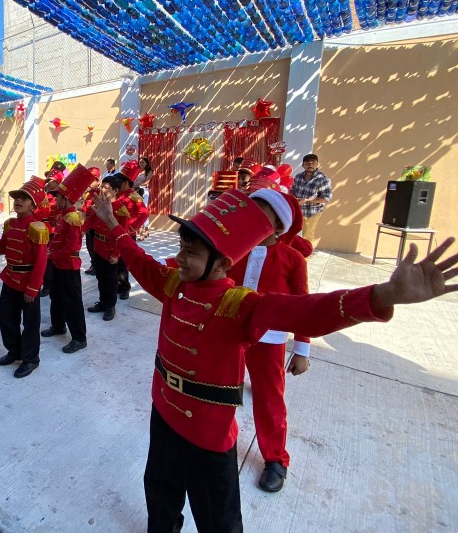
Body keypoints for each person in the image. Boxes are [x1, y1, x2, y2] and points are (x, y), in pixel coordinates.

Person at [91, 187, 458, 532]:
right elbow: (139, 260)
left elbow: (310, 309)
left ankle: (275, 457)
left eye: (191, 253)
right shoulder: (174, 284)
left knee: (217, 515)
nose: (180, 259)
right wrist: (111, 222)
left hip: (208, 429)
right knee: (159, 489)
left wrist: (382, 295)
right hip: (165, 410)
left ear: (221, 263)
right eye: (182, 249)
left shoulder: (241, 305)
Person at [228, 185, 311, 493]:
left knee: (269, 398)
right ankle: (219, 444)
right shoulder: (234, 248)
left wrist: (301, 349)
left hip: (269, 339)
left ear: (278, 224)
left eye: (259, 213)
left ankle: (276, 458)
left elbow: (304, 305)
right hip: (230, 332)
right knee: (222, 391)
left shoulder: (292, 259)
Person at [0, 176, 49, 378]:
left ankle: (31, 359)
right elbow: (3, 248)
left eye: (24, 199)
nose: (18, 201)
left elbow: (41, 262)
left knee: (30, 323)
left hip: (28, 282)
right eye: (17, 197)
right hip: (10, 278)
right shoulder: (10, 224)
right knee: (5, 316)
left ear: (33, 205)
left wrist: (33, 288)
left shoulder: (37, 228)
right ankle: (14, 351)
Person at [40, 164, 96, 353]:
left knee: (72, 302)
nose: (55, 199)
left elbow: (72, 247)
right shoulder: (64, 216)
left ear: (66, 198)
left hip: (68, 265)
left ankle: (80, 338)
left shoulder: (71, 217)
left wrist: (51, 254)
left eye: (58, 197)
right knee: (56, 297)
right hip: (58, 263)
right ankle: (58, 326)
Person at [82, 173, 130, 321]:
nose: (102, 189)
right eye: (102, 186)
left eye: (106, 187)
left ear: (116, 191)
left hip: (110, 249)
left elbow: (122, 235)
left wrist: (116, 254)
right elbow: (90, 221)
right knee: (100, 277)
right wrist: (80, 231)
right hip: (98, 246)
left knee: (110, 280)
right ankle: (102, 303)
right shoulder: (99, 206)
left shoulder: (121, 210)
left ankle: (110, 306)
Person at [114, 161, 149, 301]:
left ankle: (125, 287)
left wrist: (132, 228)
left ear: (126, 183)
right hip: (116, 233)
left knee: (123, 262)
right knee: (115, 260)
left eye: (120, 182)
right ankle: (117, 285)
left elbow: (144, 213)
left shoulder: (134, 196)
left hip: (127, 234)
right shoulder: (117, 195)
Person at [291, 153, 332, 244]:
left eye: (313, 163)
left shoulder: (323, 179)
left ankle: (306, 257)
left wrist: (307, 200)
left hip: (312, 212)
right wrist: (293, 197)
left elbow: (326, 198)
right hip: (297, 211)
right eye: (307, 163)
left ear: (317, 164)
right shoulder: (298, 177)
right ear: (303, 165)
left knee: (307, 237)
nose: (310, 165)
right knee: (292, 234)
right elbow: (292, 190)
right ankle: (294, 255)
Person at [82, 167, 101, 276]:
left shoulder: (100, 194)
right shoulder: (87, 194)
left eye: (92, 180)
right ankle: (93, 264)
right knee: (89, 246)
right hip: (88, 225)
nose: (88, 183)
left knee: (96, 247)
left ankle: (97, 266)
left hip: (96, 226)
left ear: (98, 181)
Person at [134, 156, 154, 240]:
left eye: (143, 162)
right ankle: (140, 231)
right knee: (135, 210)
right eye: (140, 162)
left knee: (143, 210)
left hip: (143, 191)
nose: (141, 164)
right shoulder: (136, 171)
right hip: (134, 191)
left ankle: (145, 229)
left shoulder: (149, 171)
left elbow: (146, 182)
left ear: (146, 163)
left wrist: (138, 186)